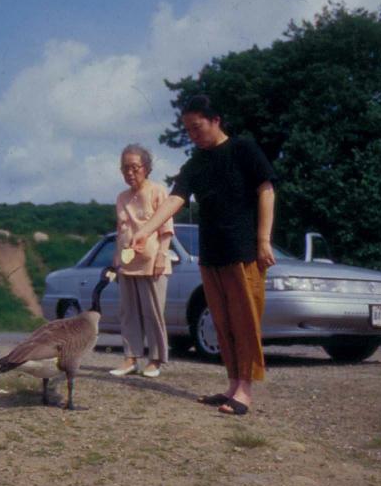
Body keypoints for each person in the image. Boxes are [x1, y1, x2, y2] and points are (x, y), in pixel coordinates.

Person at [131, 95, 275, 415]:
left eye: (197, 128)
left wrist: (264, 240)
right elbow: (174, 199)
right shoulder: (196, 163)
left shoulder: (243, 149)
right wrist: (145, 230)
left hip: (244, 251)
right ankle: (232, 384)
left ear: (215, 120)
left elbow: (266, 190)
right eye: (188, 130)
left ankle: (246, 391)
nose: (193, 135)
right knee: (223, 324)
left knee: (245, 321)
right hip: (210, 254)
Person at [108, 144, 174, 379]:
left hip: (152, 262)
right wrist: (117, 256)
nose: (129, 173)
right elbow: (120, 230)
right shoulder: (121, 197)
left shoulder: (158, 191)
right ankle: (130, 358)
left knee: (153, 313)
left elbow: (166, 229)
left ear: (146, 168)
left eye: (134, 167)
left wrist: (161, 256)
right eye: (125, 168)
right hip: (127, 264)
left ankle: (155, 360)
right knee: (128, 312)